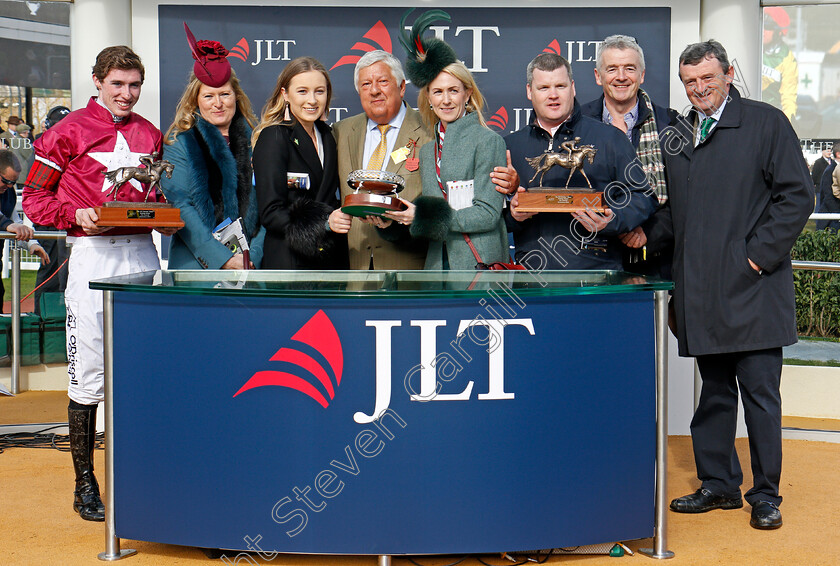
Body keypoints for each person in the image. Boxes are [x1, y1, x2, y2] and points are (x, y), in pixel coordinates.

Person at [629, 40, 813, 530]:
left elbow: (797, 197)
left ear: (728, 73)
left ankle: (765, 494)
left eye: (708, 78)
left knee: (760, 396)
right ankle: (718, 484)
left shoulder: (766, 122)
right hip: (702, 293)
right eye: (691, 82)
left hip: (754, 291)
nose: (700, 88)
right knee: (712, 394)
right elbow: (676, 216)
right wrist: (644, 233)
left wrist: (754, 258)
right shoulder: (678, 134)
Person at [22, 45, 180, 522]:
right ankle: (84, 482)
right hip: (91, 258)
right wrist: (75, 214)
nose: (127, 94)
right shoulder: (65, 133)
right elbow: (33, 198)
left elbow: (159, 196)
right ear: (97, 81)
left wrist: (171, 218)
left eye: (134, 85)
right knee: (88, 372)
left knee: (143, 369)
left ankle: (141, 472)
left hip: (142, 254)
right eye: (118, 84)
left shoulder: (150, 133)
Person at [491, 52, 656, 270]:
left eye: (560, 86)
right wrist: (512, 214)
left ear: (573, 88)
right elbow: (491, 216)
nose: (553, 95)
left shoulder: (609, 138)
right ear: (530, 91)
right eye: (544, 88)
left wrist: (612, 219)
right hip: (531, 280)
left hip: (597, 278)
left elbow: (643, 196)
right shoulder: (509, 146)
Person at [384, 14, 507, 270]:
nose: (446, 100)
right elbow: (427, 215)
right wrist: (394, 220)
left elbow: (487, 214)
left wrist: (423, 218)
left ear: (468, 93)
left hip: (479, 263)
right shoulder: (428, 150)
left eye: (454, 90)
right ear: (428, 97)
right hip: (437, 266)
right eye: (438, 92)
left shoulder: (489, 141)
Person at [162, 26, 265, 270]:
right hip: (198, 266)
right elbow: (181, 207)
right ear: (195, 100)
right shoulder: (180, 142)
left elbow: (271, 207)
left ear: (236, 97)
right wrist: (224, 259)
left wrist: (253, 257)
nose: (218, 104)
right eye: (209, 96)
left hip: (254, 268)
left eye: (225, 94)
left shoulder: (259, 140)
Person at [581, 35, 675, 275]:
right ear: (597, 75)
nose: (621, 77)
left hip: (654, 262)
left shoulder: (671, 126)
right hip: (589, 259)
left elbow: (685, 199)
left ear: (642, 75)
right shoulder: (576, 124)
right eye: (611, 69)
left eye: (629, 69)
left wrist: (650, 231)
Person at [332, 50, 432, 269]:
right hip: (355, 272)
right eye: (366, 84)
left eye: (383, 81)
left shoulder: (430, 132)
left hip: (408, 271)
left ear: (402, 87)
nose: (374, 90)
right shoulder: (340, 132)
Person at [252, 56, 348, 269]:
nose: (312, 100)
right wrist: (324, 224)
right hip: (290, 263)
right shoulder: (274, 137)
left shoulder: (329, 136)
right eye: (302, 91)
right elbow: (271, 213)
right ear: (285, 94)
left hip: (330, 261)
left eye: (319, 91)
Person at [32, 107, 72, 317]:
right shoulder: (41, 147)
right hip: (48, 219)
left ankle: (62, 322)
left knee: (67, 273)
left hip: (66, 219)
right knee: (50, 271)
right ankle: (42, 321)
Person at [0, 149, 47, 311]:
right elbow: (8, 223)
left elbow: (16, 222)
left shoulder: (9, 193)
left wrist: (31, 244)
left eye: (13, 182)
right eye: (5, 181)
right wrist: (7, 224)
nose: (9, 186)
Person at [762, 7, 798, 122]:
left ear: (778, 32)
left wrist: (787, 125)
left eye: (768, 27)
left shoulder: (787, 59)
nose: (763, 31)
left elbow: (788, 97)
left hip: (769, 117)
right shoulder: (750, 46)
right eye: (761, 25)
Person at [816, 143, 840, 231]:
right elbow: (828, 196)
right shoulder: (830, 170)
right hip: (831, 218)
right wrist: (837, 214)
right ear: (838, 154)